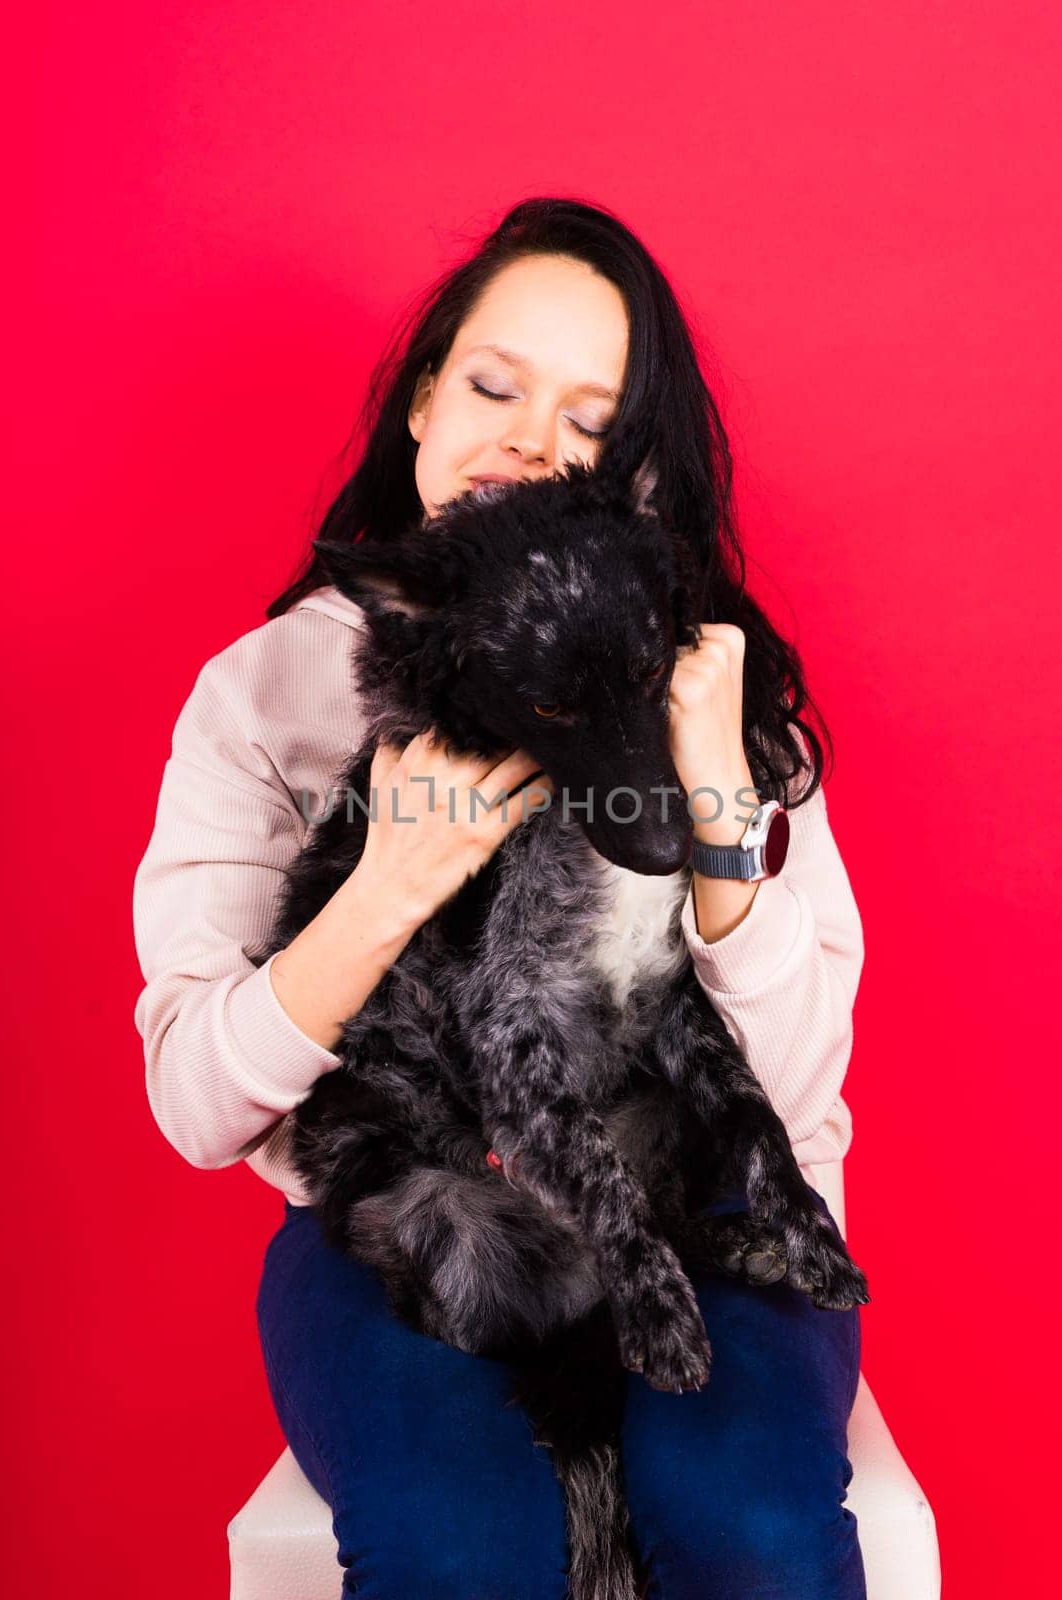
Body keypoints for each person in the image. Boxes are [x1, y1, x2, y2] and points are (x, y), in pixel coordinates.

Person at [132, 197, 867, 1599]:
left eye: (589, 419)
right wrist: (385, 890)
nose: (531, 442)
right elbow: (195, 1103)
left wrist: (715, 812)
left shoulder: (711, 686)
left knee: (755, 1530)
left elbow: (794, 1087)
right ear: (422, 398)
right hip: (406, 1220)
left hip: (700, 1211)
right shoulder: (263, 695)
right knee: (458, 1547)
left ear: (632, 473)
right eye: (492, 383)